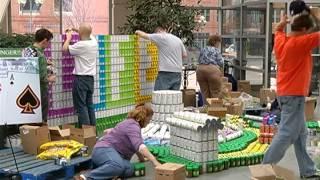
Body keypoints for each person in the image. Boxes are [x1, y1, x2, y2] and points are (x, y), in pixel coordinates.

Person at [262, 11, 320, 178]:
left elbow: (278, 31)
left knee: (301, 134)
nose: (309, 33)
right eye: (307, 30)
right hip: (294, 96)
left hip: (286, 94)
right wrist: (317, 17)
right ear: (302, 29)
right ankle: (265, 168)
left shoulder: (282, 41)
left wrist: (281, 23)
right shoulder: (300, 42)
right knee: (287, 132)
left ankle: (307, 171)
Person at [75, 103, 161, 180]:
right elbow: (140, 147)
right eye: (149, 119)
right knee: (117, 166)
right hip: (103, 150)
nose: (149, 122)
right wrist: (155, 162)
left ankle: (107, 173)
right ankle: (86, 177)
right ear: (144, 117)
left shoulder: (133, 126)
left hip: (112, 156)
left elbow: (136, 147)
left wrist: (142, 159)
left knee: (130, 169)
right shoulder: (132, 126)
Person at [63, 24, 98, 127]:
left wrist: (68, 38)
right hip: (90, 79)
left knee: (81, 106)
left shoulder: (81, 45)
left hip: (81, 79)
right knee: (89, 106)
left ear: (81, 34)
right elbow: (88, 33)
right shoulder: (94, 42)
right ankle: (92, 133)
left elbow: (65, 49)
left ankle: (86, 133)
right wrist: (75, 29)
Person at [22, 28, 56, 122]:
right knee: (41, 119)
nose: (48, 45)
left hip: (27, 90)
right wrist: (51, 79)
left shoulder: (26, 50)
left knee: (31, 118)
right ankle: (40, 136)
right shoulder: (40, 55)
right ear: (45, 41)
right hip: (40, 90)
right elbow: (41, 78)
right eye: (49, 42)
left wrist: (45, 62)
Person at [196, 35, 224, 104]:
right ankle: (215, 110)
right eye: (218, 43)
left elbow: (199, 60)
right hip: (212, 71)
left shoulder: (203, 49)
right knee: (215, 92)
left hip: (200, 70)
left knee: (204, 92)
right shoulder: (216, 50)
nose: (219, 45)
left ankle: (206, 110)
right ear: (215, 42)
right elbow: (221, 62)